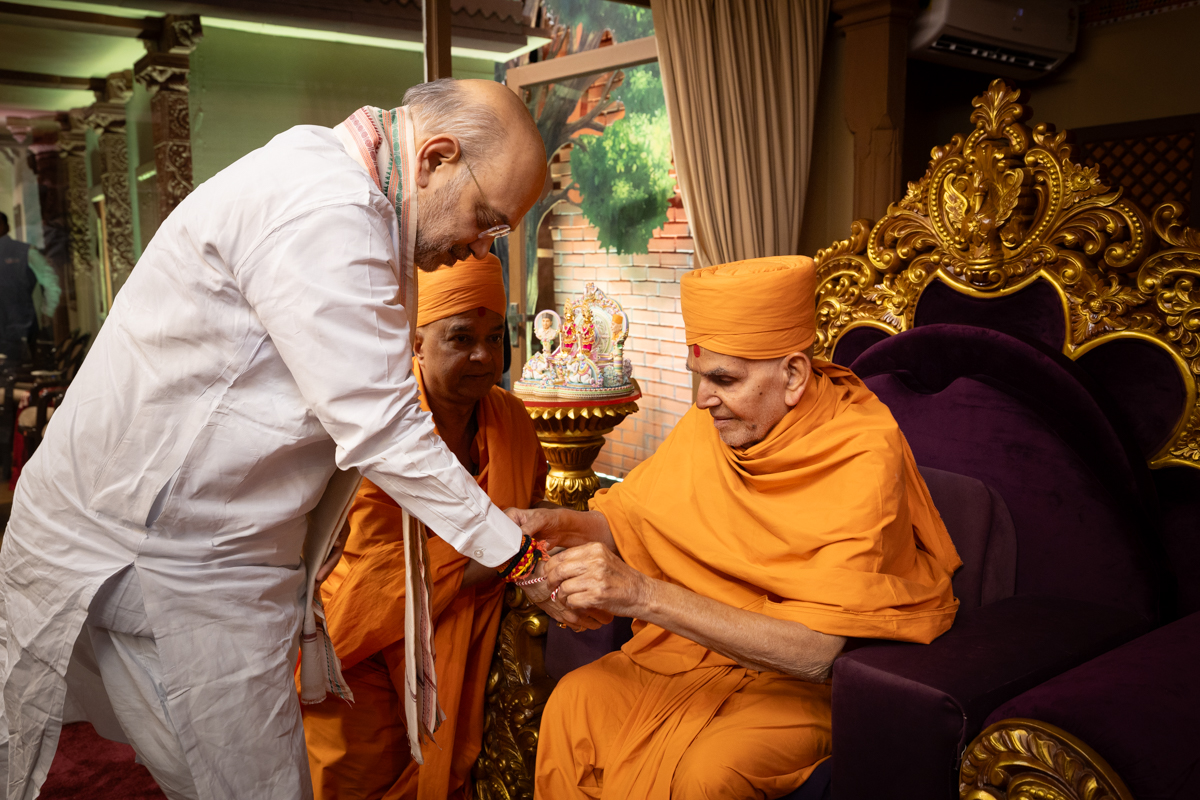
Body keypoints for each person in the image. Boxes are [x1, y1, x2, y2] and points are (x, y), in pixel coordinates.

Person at [0, 78, 577, 800]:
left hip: (197, 548)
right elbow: (384, 427)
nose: (478, 246)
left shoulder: (338, 182)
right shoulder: (331, 208)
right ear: (435, 157)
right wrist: (522, 558)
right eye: (485, 218)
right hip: (162, 552)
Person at [514, 257, 963, 800]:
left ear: (793, 376)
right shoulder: (716, 424)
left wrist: (641, 594)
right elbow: (635, 522)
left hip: (794, 683)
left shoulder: (863, 452)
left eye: (723, 379)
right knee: (574, 703)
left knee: (708, 772)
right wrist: (556, 522)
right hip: (691, 653)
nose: (702, 399)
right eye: (698, 376)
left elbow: (817, 652)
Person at [302, 253, 570, 799]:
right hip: (366, 654)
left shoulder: (511, 418)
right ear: (414, 341)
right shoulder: (380, 431)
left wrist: (521, 552)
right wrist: (514, 556)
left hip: (476, 640)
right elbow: (380, 575)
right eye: (460, 338)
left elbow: (534, 512)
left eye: (495, 338)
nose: (482, 356)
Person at [0, 211, 61, 362]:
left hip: (21, 328)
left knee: (19, 371)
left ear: (7, 227)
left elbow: (51, 281)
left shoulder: (25, 252)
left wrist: (47, 313)